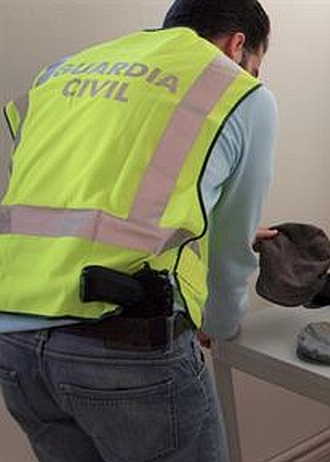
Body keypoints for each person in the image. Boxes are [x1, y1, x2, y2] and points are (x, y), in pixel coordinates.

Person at [0, 1, 277, 461]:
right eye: (255, 66)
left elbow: (87, 207)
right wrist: (218, 324)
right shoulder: (238, 92)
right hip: (124, 342)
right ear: (238, 45)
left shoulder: (64, 72)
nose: (252, 76)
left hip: (14, 337)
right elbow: (231, 249)